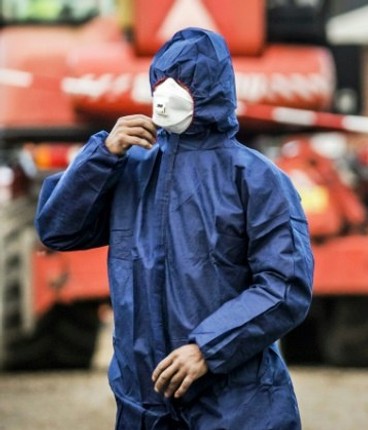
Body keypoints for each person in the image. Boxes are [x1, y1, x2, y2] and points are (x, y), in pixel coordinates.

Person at [35, 28, 313, 429]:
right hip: (143, 405)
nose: (168, 91)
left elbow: (285, 286)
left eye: (184, 81)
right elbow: (57, 229)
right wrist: (102, 155)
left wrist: (207, 348)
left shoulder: (256, 178)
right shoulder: (132, 168)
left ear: (213, 88)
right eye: (162, 79)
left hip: (236, 405)